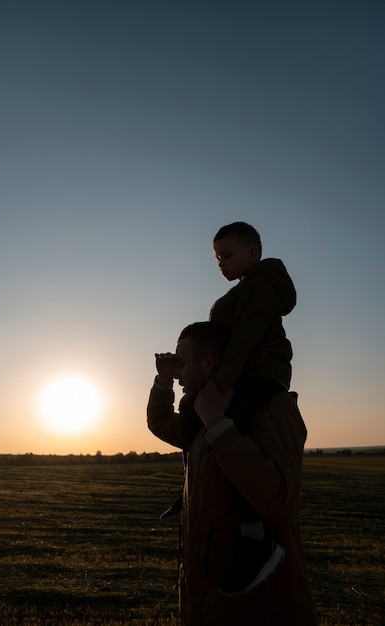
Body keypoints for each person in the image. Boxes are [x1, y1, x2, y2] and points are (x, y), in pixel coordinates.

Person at [147, 321, 316, 626]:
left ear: (209, 362)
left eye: (181, 364)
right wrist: (162, 381)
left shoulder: (270, 407)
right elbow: (160, 423)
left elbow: (277, 499)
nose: (178, 373)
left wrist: (219, 424)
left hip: (260, 609)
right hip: (207, 604)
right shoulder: (199, 417)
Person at [162, 221, 297, 595]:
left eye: (228, 255)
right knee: (194, 414)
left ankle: (256, 540)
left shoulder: (258, 288)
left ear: (253, 253)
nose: (220, 263)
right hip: (241, 375)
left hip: (258, 377)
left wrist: (221, 386)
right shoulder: (246, 289)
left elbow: (244, 340)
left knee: (224, 428)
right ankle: (189, 488)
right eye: (217, 257)